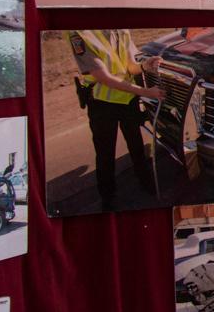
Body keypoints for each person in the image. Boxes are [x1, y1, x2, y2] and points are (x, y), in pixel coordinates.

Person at [70, 29, 163, 209]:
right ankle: (108, 197)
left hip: (128, 99)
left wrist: (145, 65)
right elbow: (103, 77)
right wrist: (145, 92)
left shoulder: (120, 29)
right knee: (105, 153)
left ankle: (145, 182)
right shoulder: (80, 33)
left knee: (136, 146)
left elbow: (130, 66)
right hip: (102, 104)